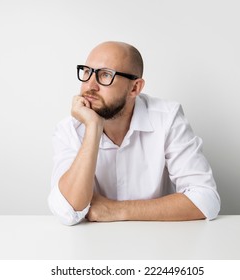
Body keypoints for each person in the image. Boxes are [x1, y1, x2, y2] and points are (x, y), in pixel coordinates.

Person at [48, 41, 220, 226]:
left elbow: (205, 200)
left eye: (105, 75)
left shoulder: (167, 118)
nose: (90, 85)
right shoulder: (69, 129)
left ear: (134, 88)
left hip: (158, 245)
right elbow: (67, 210)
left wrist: (115, 210)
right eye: (87, 72)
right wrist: (93, 128)